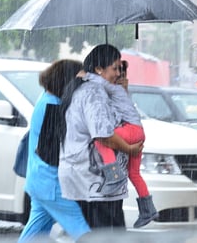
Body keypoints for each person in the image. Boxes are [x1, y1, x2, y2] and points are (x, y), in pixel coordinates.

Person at [58, 44, 143, 230]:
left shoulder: (102, 90)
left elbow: (119, 120)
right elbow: (103, 134)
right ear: (98, 69)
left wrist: (122, 93)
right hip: (94, 181)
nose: (119, 73)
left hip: (99, 182)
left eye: (121, 68)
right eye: (115, 68)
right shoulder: (93, 92)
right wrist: (129, 149)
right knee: (106, 234)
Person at [18, 59, 90, 243]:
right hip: (53, 184)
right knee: (86, 232)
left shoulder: (49, 100)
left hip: (39, 181)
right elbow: (56, 151)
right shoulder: (53, 107)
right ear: (66, 80)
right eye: (80, 81)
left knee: (34, 235)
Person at [80, 61, 159, 228]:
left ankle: (114, 176)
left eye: (117, 72)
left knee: (101, 138)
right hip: (137, 133)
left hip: (130, 133)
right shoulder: (120, 91)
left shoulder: (112, 90)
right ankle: (147, 208)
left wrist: (84, 75)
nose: (115, 75)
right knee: (134, 173)